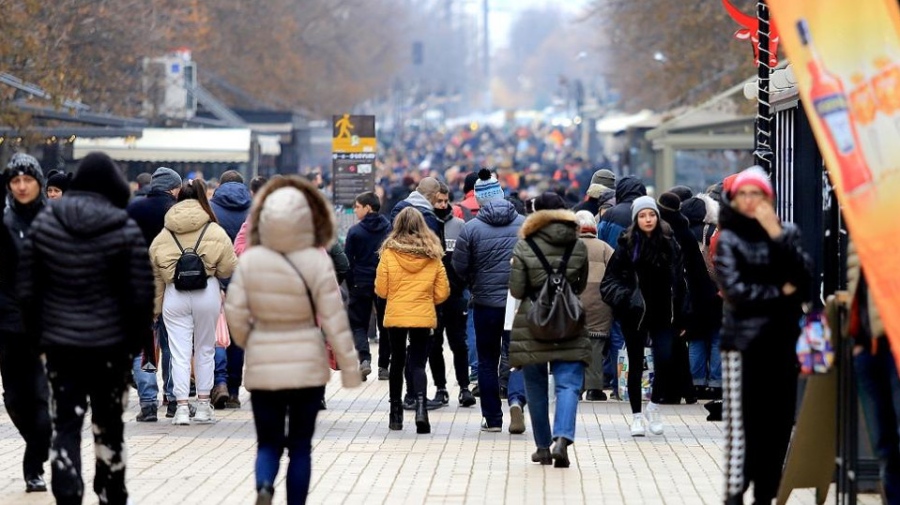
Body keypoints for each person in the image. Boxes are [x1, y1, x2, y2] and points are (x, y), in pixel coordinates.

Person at [18, 152, 154, 505]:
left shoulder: (46, 225)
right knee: (110, 426)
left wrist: (38, 339)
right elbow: (141, 294)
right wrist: (134, 346)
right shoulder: (123, 228)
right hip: (110, 349)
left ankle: (66, 490)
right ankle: (111, 493)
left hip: (61, 346)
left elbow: (28, 290)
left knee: (65, 423)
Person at [225, 176, 360, 505]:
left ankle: (264, 486)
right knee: (300, 446)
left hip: (264, 363)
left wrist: (249, 341)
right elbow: (334, 317)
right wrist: (350, 366)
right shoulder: (317, 260)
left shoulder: (252, 260)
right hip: (306, 362)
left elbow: (234, 313)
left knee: (267, 442)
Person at [715, 166, 811, 505]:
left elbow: (804, 282)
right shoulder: (728, 237)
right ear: (734, 198)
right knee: (744, 424)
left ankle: (767, 492)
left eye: (756, 194)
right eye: (743, 194)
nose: (750, 200)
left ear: (768, 198)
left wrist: (777, 237)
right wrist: (781, 293)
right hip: (742, 344)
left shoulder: (786, 233)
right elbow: (736, 291)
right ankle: (735, 492)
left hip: (782, 343)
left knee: (779, 422)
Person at [509, 194, 590, 468]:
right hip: (569, 320)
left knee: (535, 386)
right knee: (568, 383)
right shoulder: (577, 245)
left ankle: (543, 448)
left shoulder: (525, 244)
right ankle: (563, 438)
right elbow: (580, 285)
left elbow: (517, 290)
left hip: (533, 323)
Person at [149, 178, 238, 425]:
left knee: (179, 352)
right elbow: (229, 267)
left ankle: (180, 408)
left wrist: (155, 308)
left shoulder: (165, 232)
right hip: (206, 292)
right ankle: (202, 405)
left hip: (174, 293)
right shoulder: (214, 229)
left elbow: (155, 270)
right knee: (205, 349)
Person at [600, 195, 689, 437]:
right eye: (642, 215)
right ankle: (637, 416)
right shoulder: (626, 245)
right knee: (636, 364)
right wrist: (626, 299)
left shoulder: (670, 245)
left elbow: (680, 283)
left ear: (657, 217)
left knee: (666, 360)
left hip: (664, 313)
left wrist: (682, 315)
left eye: (651, 215)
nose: (648, 219)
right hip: (635, 314)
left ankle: (654, 407)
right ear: (636, 219)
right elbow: (609, 282)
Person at [453, 169, 526, 433]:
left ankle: (493, 419)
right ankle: (517, 400)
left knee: (487, 361)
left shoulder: (471, 228)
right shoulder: (524, 224)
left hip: (484, 303)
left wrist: (474, 282)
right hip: (517, 303)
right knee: (518, 356)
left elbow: (459, 266)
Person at [0, 153, 51, 493]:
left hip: (46, 326)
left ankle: (35, 462)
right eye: (15, 181)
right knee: (16, 398)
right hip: (7, 324)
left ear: (38, 183)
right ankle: (35, 442)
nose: (21, 187)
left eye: (27, 180)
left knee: (41, 401)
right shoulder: (2, 223)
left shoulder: (53, 221)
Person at [375, 207, 450, 434]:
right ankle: (421, 409)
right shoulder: (432, 254)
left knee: (397, 362)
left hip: (396, 314)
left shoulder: (388, 253)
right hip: (422, 314)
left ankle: (395, 414)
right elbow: (442, 292)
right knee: (417, 363)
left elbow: (381, 289)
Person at [126, 166, 183, 420]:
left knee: (145, 345)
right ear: (173, 188)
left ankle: (148, 401)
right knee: (172, 344)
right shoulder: (176, 211)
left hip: (138, 284)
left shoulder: (134, 209)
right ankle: (172, 399)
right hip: (172, 284)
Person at [847, 239, 900, 503]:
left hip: (893, 343)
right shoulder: (863, 227)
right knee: (884, 443)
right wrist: (858, 338)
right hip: (870, 347)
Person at [597, 175, 647, 396]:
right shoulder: (649, 214)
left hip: (618, 284)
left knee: (617, 334)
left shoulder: (611, 214)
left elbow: (601, 242)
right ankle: (644, 384)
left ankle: (620, 386)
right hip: (645, 286)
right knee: (645, 335)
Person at [428, 182, 476, 407]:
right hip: (431, 296)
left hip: (456, 294)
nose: (442, 205)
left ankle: (464, 387)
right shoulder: (426, 227)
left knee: (459, 343)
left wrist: (463, 283)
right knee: (434, 344)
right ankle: (440, 388)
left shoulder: (460, 225)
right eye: (438, 201)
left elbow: (468, 258)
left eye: (445, 201)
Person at [208, 169, 252, 410]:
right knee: (236, 338)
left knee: (216, 336)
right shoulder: (254, 209)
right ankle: (234, 390)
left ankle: (219, 382)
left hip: (219, 280)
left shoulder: (211, 209)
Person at [344, 191, 390, 381]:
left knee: (358, 323)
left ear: (367, 207)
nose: (355, 210)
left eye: (357, 206)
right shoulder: (389, 228)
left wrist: (351, 282)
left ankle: (364, 359)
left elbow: (347, 261)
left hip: (360, 282)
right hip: (384, 282)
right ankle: (384, 366)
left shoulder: (355, 232)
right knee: (385, 324)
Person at [574, 210, 614, 402]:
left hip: (574, 303)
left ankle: (576, 387)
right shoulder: (605, 247)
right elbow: (616, 274)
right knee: (596, 347)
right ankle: (594, 389)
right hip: (600, 302)